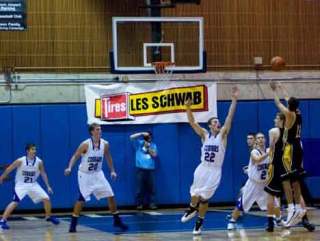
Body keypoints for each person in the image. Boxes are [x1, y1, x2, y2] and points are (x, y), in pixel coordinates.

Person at [181, 86, 239, 235]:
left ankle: (199, 223)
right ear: (209, 125)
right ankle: (192, 208)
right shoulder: (205, 135)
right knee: (194, 193)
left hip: (214, 170)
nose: (217, 123)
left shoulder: (223, 136)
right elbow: (193, 122)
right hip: (202, 168)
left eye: (218, 122)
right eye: (214, 122)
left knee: (204, 198)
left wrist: (234, 100)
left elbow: (229, 118)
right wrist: (188, 107)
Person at [64, 123, 128, 232]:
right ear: (92, 132)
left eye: (100, 129)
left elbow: (108, 157)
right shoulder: (85, 144)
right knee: (82, 199)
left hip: (98, 174)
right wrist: (69, 167)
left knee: (111, 195)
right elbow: (75, 156)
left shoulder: (105, 144)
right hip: (85, 175)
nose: (100, 131)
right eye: (97, 129)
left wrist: (112, 170)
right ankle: (73, 223)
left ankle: (117, 220)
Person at [265, 112, 314, 232]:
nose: (274, 120)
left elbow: (271, 148)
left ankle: (270, 223)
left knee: (270, 193)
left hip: (276, 164)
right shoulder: (291, 133)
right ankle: (304, 219)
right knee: (296, 191)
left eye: (276, 118)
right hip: (288, 164)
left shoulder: (273, 131)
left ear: (281, 120)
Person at [270, 82, 306, 226]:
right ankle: (297, 207)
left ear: (289, 105)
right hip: (299, 147)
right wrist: (282, 87)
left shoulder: (289, 114)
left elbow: (277, 101)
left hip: (289, 149)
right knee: (295, 180)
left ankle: (291, 209)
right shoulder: (298, 112)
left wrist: (274, 90)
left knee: (285, 179)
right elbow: (287, 98)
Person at [0, 144, 60, 230]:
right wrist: (1, 178)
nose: (34, 151)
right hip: (21, 185)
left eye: (35, 149)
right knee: (15, 202)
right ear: (27, 151)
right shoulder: (20, 160)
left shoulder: (39, 161)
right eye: (32, 149)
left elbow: (43, 173)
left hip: (33, 184)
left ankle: (48, 217)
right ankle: (2, 221)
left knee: (46, 198)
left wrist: (48, 186)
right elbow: (9, 169)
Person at [227, 133, 271, 230]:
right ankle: (232, 221)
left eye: (262, 137)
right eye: (258, 138)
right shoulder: (254, 151)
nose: (260, 139)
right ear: (256, 141)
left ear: (265, 139)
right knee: (242, 203)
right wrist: (270, 153)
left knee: (272, 203)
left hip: (265, 183)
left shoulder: (269, 150)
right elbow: (258, 160)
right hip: (253, 183)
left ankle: (276, 220)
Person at [129, 131, 158, 210]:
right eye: (148, 137)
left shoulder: (153, 145)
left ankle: (152, 204)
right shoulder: (139, 143)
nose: (149, 138)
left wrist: (148, 147)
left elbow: (154, 155)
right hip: (140, 169)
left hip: (150, 170)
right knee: (140, 188)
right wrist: (141, 133)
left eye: (150, 137)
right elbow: (131, 137)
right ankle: (139, 204)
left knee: (151, 188)